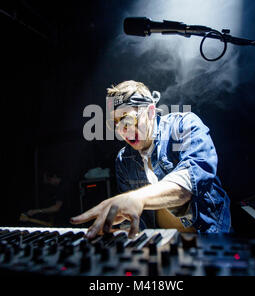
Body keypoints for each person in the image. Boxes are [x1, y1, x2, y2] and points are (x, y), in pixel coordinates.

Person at [71, 80, 231, 239]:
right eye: (115, 123)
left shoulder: (183, 126)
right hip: (162, 246)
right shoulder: (124, 159)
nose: (122, 131)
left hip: (209, 238)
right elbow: (134, 217)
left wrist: (136, 198)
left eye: (127, 119)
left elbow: (192, 181)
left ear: (150, 112)